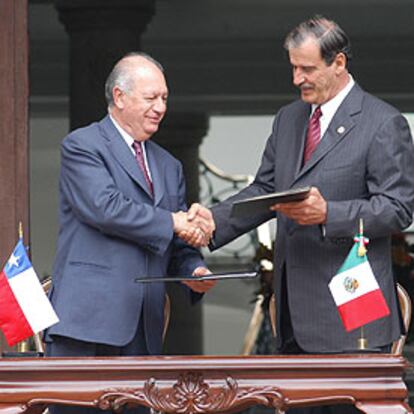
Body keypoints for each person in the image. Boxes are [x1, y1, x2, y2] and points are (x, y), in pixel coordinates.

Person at [183, 16, 414, 413]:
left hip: (351, 318)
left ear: (338, 63)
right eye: (293, 67)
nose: (297, 79)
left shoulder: (382, 123)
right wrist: (214, 222)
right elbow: (264, 192)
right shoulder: (289, 120)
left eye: (307, 68)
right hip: (292, 316)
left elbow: (397, 209)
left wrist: (330, 214)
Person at [45, 52, 215, 414]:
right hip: (87, 324)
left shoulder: (169, 165)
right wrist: (173, 221)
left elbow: (176, 241)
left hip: (144, 326)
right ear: (119, 97)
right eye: (151, 98)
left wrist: (194, 271)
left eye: (165, 98)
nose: (160, 107)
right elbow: (105, 207)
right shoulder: (83, 145)